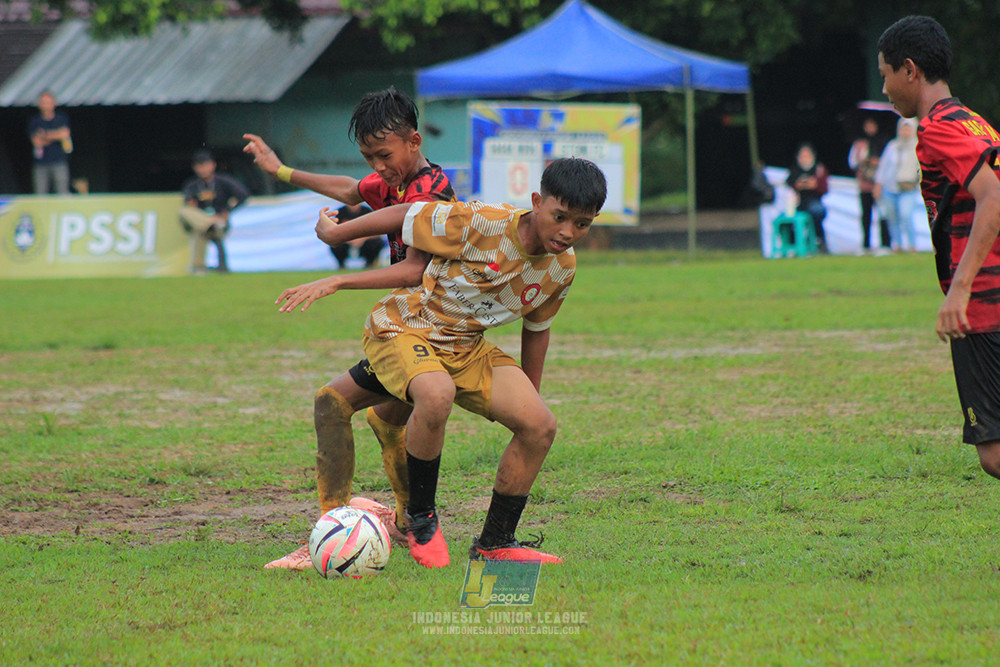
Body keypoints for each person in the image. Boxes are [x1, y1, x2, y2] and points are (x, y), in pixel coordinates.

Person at [277, 157, 608, 568]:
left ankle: (496, 542)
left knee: (540, 426)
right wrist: (338, 236)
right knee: (434, 393)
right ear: (537, 202)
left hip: (465, 347)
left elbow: (536, 330)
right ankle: (420, 519)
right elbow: (405, 214)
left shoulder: (562, 267)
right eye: (560, 217)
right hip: (407, 327)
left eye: (582, 224)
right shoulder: (481, 221)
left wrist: (528, 401)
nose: (567, 232)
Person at [242, 86, 456, 570]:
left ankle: (331, 531)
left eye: (384, 155)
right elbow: (349, 189)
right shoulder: (400, 182)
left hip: (432, 331)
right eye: (369, 157)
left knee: (332, 402)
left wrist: (337, 278)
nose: (377, 167)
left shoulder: (430, 192)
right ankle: (406, 523)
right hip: (420, 326)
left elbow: (414, 272)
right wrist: (279, 169)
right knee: (385, 418)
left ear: (414, 140)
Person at [878, 15, 1000, 480]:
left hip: (987, 308)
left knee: (994, 453)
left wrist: (960, 290)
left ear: (909, 70)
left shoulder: (937, 130)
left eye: (886, 74)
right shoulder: (975, 123)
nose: (885, 89)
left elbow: (994, 197)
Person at [180, 150, 250, 274]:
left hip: (220, 222)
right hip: (203, 221)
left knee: (200, 231)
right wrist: (208, 220)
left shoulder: (223, 181)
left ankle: (198, 268)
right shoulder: (192, 185)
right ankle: (209, 223)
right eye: (199, 166)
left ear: (213, 165)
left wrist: (228, 210)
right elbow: (189, 205)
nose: (203, 169)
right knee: (185, 212)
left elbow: (243, 195)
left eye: (205, 165)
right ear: (195, 168)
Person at [873, 117, 922, 253]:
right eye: (903, 128)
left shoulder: (918, 147)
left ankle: (912, 246)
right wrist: (878, 184)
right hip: (890, 188)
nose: (905, 131)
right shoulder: (892, 146)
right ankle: (898, 246)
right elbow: (883, 167)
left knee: (905, 215)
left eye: (908, 128)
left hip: (908, 188)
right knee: (892, 217)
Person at [848, 117, 891, 253]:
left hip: (881, 186)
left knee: (883, 215)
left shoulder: (885, 142)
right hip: (865, 185)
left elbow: (889, 162)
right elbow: (852, 162)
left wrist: (878, 162)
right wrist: (864, 161)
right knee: (866, 215)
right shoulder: (859, 144)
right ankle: (866, 244)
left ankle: (885, 244)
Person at [786, 143, 829, 252]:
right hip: (797, 203)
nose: (804, 159)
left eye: (807, 156)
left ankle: (818, 240)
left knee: (817, 211)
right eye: (802, 156)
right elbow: (789, 185)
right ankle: (792, 245)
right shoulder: (794, 171)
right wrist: (799, 186)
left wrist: (813, 186)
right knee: (788, 220)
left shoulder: (819, 169)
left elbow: (823, 189)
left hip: (814, 201)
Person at [29, 91, 72, 195]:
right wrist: (56, 135)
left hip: (59, 162)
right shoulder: (35, 121)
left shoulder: (61, 118)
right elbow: (36, 141)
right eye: (43, 102)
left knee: (62, 192)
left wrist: (45, 134)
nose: (46, 105)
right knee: (40, 194)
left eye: (48, 102)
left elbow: (64, 134)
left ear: (54, 103)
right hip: (41, 164)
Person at [329, 202, 385, 269]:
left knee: (376, 243)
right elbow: (335, 231)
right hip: (346, 242)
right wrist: (350, 239)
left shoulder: (367, 211)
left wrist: (362, 239)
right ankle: (341, 265)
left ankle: (369, 263)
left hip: (365, 243)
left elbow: (377, 232)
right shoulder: (340, 212)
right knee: (335, 244)